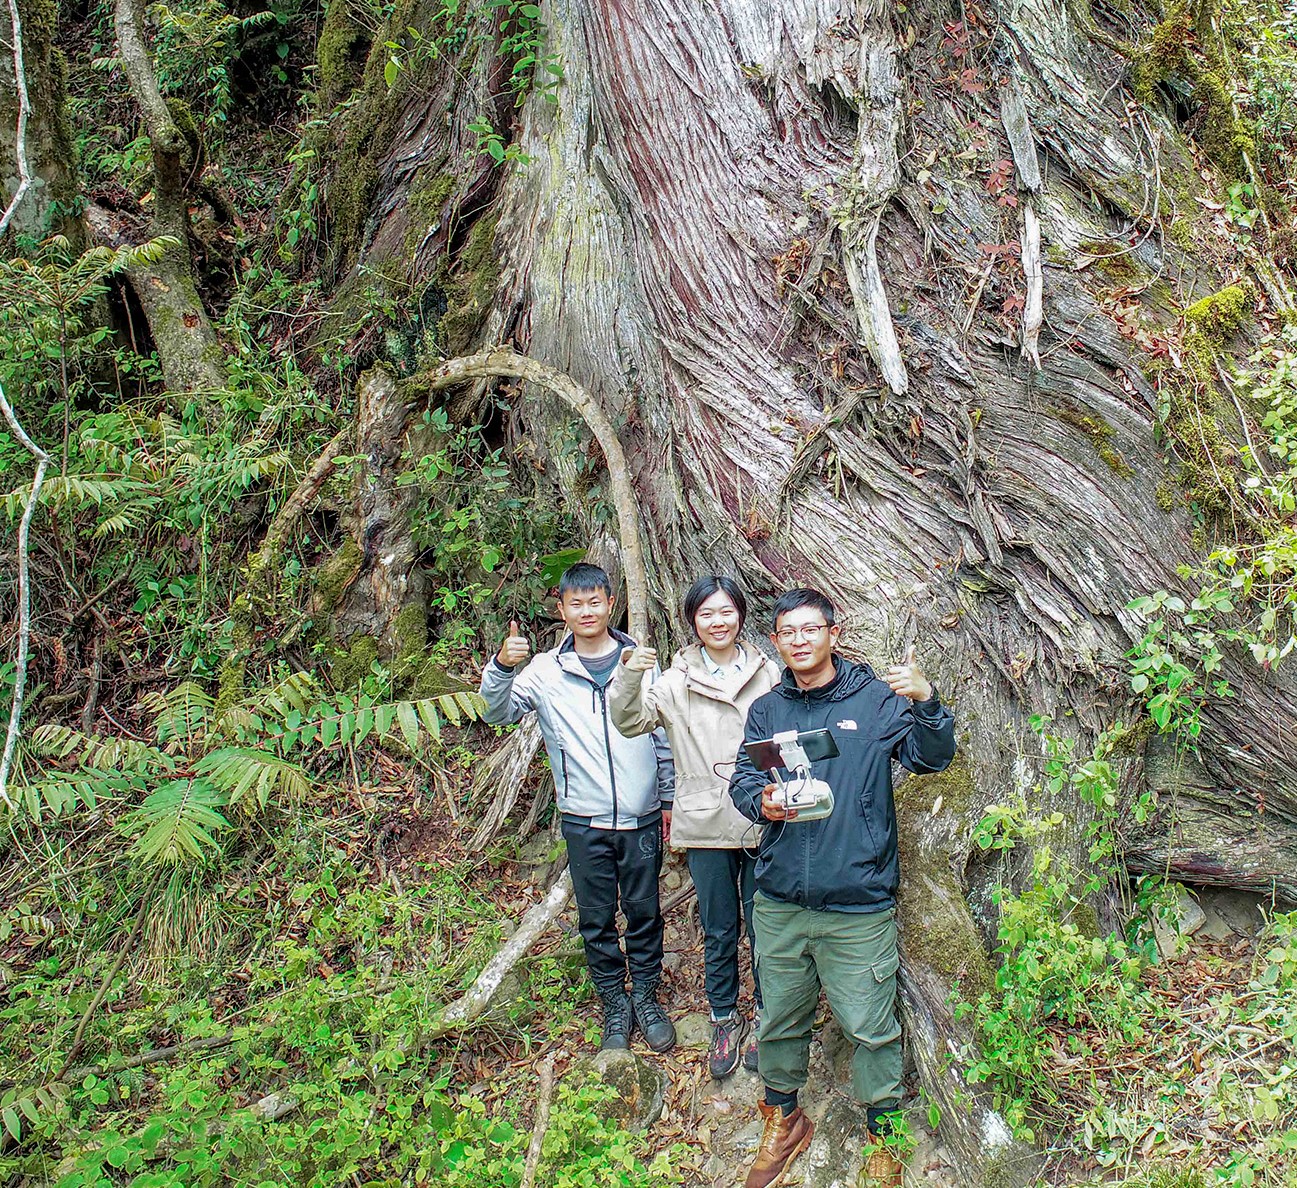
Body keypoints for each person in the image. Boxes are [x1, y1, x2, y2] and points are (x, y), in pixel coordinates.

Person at [728, 589, 956, 1188]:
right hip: (779, 898)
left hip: (856, 901)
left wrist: (928, 704)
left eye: (809, 628)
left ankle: (887, 1139)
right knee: (778, 1017)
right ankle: (784, 1118)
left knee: (871, 1027)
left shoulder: (874, 700)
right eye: (786, 631)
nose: (798, 640)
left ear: (834, 631)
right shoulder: (768, 709)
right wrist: (762, 800)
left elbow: (932, 758)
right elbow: (745, 778)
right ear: (775, 641)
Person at [478, 563, 677, 1053]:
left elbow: (666, 737)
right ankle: (615, 1004)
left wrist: (669, 797)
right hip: (583, 818)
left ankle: (647, 998)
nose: (586, 611)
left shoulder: (640, 661)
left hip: (642, 815)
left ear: (611, 603)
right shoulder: (546, 672)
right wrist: (502, 667)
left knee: (645, 911)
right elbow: (497, 713)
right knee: (596, 917)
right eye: (576, 603)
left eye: (595, 601)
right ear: (561, 610)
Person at [609, 576, 782, 1079]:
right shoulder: (673, 680)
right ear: (692, 622)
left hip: (762, 815)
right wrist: (625, 677)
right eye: (706, 614)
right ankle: (724, 1017)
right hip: (706, 819)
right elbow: (630, 721)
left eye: (726, 611)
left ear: (741, 616)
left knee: (767, 926)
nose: (718, 622)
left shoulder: (767, 671)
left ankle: (771, 1019)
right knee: (720, 926)